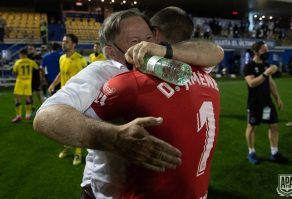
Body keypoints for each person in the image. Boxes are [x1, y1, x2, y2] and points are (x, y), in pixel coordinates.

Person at [33, 8, 224, 198]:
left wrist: (166, 50)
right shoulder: (104, 71)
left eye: (149, 38)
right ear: (111, 51)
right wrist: (114, 137)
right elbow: (45, 116)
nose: (145, 46)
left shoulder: (166, 62)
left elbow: (216, 52)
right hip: (105, 194)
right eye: (135, 42)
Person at [90, 6, 220, 198]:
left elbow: (81, 121)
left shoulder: (129, 83)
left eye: (147, 37)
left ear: (155, 34)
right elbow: (215, 52)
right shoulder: (208, 76)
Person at [244, 41, 288, 165]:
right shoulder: (249, 66)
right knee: (251, 127)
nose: (266, 52)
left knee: (274, 126)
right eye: (263, 50)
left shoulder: (265, 65)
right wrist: (266, 73)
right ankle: (251, 152)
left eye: (267, 50)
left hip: (267, 103)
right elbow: (251, 83)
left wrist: (278, 98)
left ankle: (274, 153)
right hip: (255, 103)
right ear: (255, 52)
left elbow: (270, 83)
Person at [48, 33, 87, 166]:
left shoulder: (80, 60)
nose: (63, 43)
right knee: (64, 124)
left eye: (66, 42)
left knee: (76, 125)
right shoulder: (61, 58)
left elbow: (85, 80)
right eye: (63, 41)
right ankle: (66, 147)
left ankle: (78, 152)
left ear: (74, 44)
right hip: (64, 96)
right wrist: (53, 84)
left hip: (77, 98)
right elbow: (61, 73)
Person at [11, 49, 39, 122]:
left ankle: (19, 116)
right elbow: (37, 68)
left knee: (17, 98)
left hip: (20, 81)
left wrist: (17, 74)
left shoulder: (18, 62)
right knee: (28, 98)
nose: (19, 56)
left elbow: (14, 72)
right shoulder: (31, 62)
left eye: (20, 54)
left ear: (22, 54)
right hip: (28, 81)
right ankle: (28, 115)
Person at [27, 44, 43, 115]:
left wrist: (42, 77)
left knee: (38, 93)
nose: (30, 50)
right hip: (29, 77)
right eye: (29, 49)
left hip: (36, 77)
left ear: (34, 49)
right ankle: (32, 108)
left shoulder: (38, 56)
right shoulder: (27, 57)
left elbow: (41, 66)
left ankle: (43, 107)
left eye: (31, 48)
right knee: (30, 94)